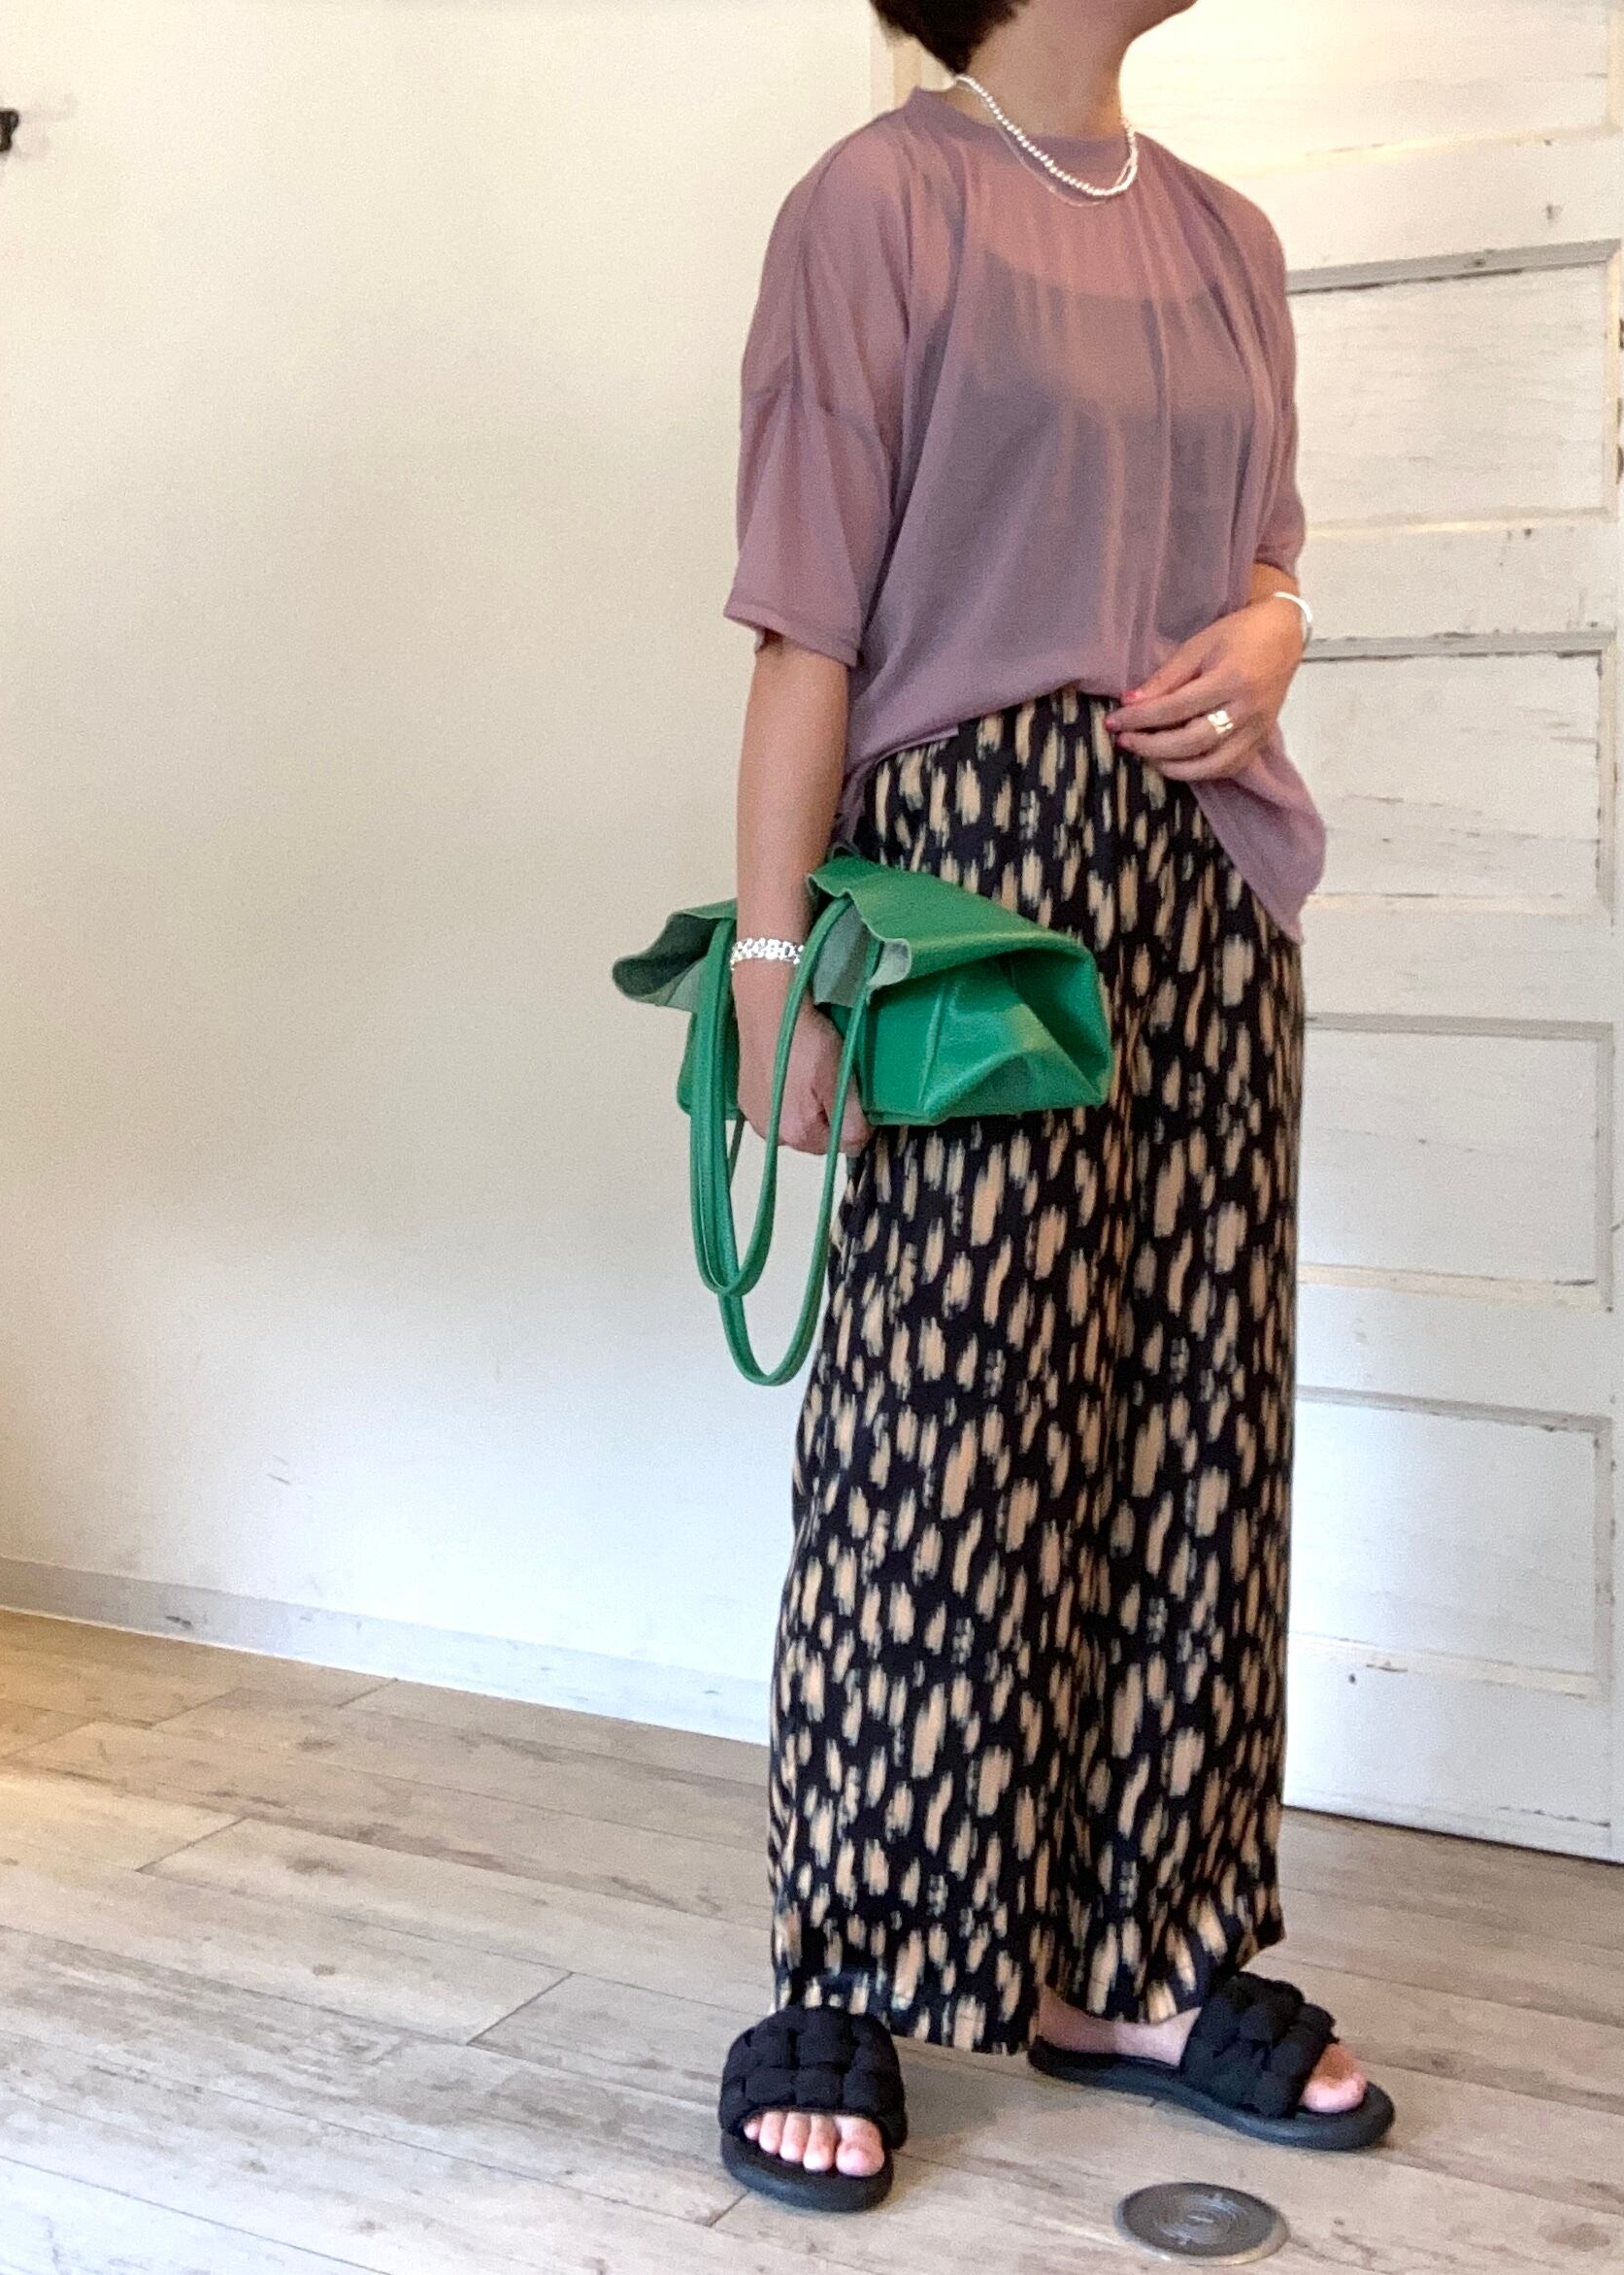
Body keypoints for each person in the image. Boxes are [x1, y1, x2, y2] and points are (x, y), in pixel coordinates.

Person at [712, 0, 1395, 2216]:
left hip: (1199, 873)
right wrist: (768, 974)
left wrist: (1278, 633)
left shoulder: (1229, 237)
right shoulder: (876, 203)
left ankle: (1146, 1955)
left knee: (1201, 1410)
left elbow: (1263, 557)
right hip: (970, 886)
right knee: (944, 1424)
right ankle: (853, 1953)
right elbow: (804, 624)